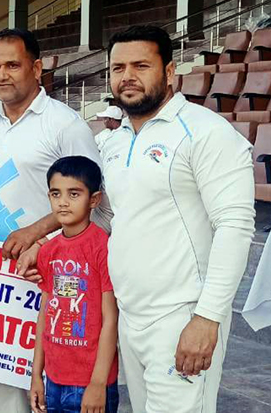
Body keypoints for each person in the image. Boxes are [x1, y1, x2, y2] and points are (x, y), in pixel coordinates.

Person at [0, 27, 112, 413]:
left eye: (12, 65)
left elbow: (95, 202)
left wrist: (37, 235)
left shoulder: (64, 124)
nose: (1, 75)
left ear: (37, 66)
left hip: (49, 279)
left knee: (48, 390)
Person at [101, 25, 255, 413]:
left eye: (140, 65)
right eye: (118, 68)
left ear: (169, 72)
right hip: (130, 315)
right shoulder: (115, 141)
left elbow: (235, 226)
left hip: (182, 316)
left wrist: (207, 318)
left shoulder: (205, 133)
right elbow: (111, 218)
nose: (127, 77)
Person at [29, 156, 119, 413]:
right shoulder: (49, 251)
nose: (63, 202)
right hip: (54, 378)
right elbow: (45, 313)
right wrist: (37, 375)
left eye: (74, 194)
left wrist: (98, 383)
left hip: (90, 381)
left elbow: (110, 318)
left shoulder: (102, 247)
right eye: (56, 194)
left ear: (94, 199)